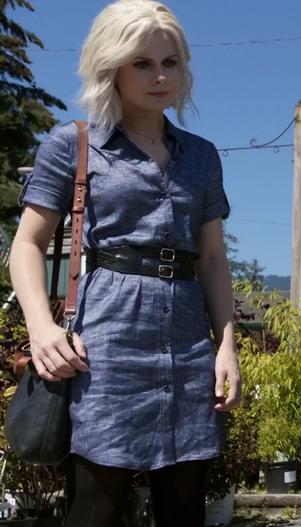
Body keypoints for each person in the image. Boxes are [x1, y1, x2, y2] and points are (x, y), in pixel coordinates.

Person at [8, 1, 241, 525]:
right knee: (96, 506)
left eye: (170, 62)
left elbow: (211, 259)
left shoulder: (202, 156)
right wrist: (41, 328)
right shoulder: (74, 144)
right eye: (142, 63)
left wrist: (225, 348)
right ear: (110, 65)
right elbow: (26, 246)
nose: (160, 76)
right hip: (106, 342)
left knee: (185, 507)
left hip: (187, 345)